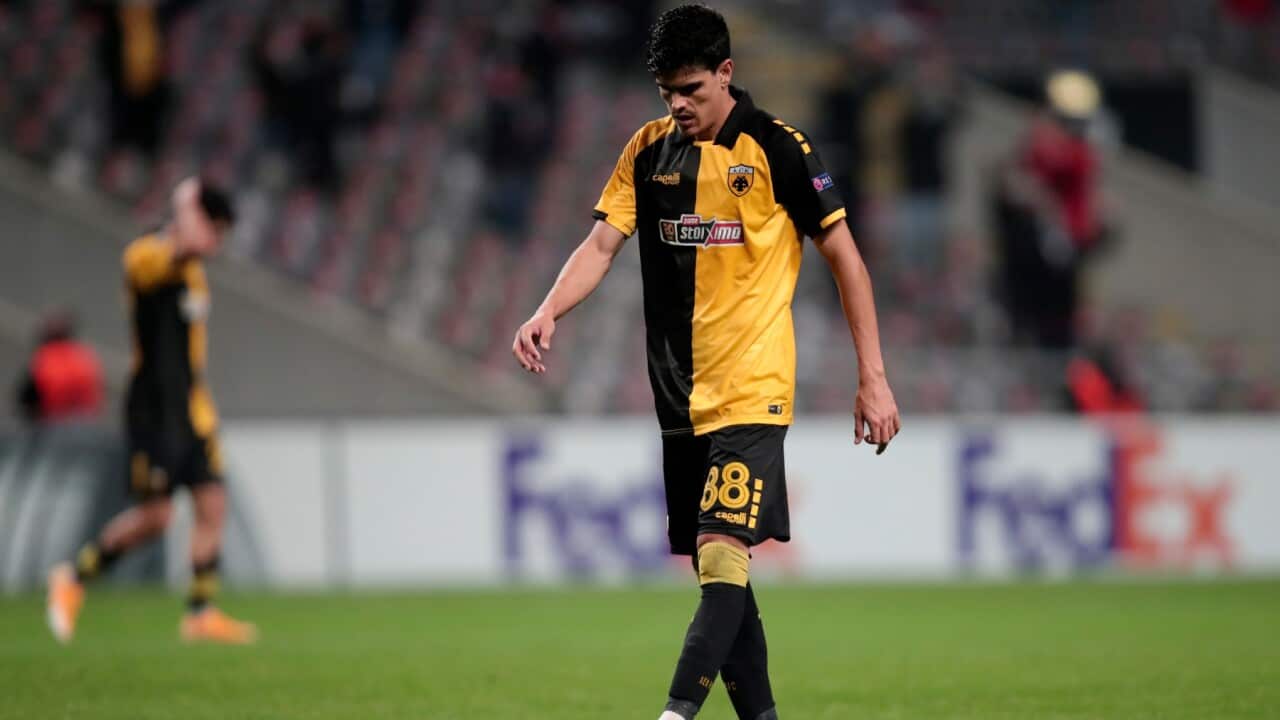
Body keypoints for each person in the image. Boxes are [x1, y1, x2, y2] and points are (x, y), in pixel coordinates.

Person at [511, 6, 900, 719]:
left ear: (727, 72)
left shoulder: (779, 148)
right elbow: (601, 246)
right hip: (678, 400)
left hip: (752, 391)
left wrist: (871, 376)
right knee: (722, 578)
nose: (679, 105)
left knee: (722, 553)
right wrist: (546, 311)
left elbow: (845, 257)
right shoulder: (648, 150)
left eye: (691, 88)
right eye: (667, 93)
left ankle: (672, 716)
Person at [46, 177, 256, 645]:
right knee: (156, 517)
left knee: (212, 503)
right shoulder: (146, 256)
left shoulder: (195, 274)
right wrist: (186, 204)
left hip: (191, 410)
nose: (215, 240)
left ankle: (200, 612)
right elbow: (183, 249)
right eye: (214, 226)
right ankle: (74, 578)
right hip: (153, 411)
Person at [14, 310, 104, 425]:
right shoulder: (84, 357)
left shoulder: (44, 361)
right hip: (86, 424)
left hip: (52, 424)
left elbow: (26, 401)